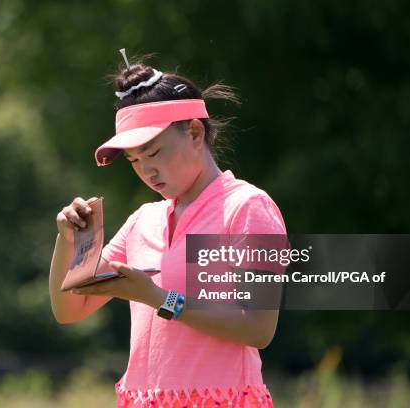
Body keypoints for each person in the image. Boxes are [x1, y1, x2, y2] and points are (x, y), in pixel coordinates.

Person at [49, 50, 286, 408]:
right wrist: (67, 242)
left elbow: (258, 328)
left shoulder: (248, 207)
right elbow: (70, 309)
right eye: (134, 161)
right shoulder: (143, 220)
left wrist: (160, 299)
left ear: (194, 132)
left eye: (154, 153)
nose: (146, 171)